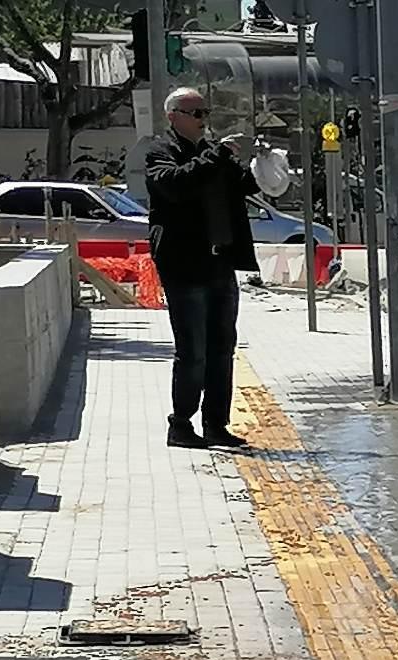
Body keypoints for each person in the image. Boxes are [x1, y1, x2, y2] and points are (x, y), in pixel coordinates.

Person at [144, 87, 258, 449]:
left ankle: (215, 424)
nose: (203, 120)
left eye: (206, 113)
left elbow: (247, 186)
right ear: (173, 116)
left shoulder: (213, 155)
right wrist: (216, 157)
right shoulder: (160, 151)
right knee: (193, 349)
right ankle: (180, 425)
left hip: (220, 260)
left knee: (223, 346)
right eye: (196, 113)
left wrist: (249, 160)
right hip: (184, 263)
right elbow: (174, 185)